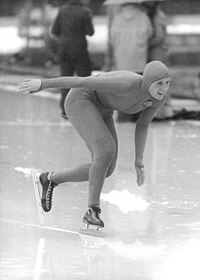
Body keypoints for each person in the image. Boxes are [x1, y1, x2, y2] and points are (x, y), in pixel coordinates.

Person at [18, 60, 171, 232]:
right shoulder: (126, 83)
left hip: (104, 110)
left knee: (108, 168)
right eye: (159, 83)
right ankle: (92, 210)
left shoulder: (158, 99)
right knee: (106, 149)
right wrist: (43, 84)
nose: (164, 88)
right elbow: (81, 81)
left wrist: (139, 160)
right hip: (81, 99)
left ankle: (50, 179)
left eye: (167, 83)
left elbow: (142, 125)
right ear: (148, 81)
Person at [50, 0, 94, 118]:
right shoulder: (85, 11)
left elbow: (54, 31)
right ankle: (86, 108)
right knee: (85, 81)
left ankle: (65, 110)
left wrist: (66, 38)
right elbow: (91, 32)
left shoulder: (62, 10)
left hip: (64, 49)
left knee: (66, 80)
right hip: (80, 50)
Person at [110, 3, 153, 121]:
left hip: (122, 58)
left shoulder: (118, 18)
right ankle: (138, 114)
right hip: (138, 57)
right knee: (139, 88)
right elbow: (149, 32)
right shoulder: (143, 16)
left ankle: (124, 116)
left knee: (124, 89)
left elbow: (113, 36)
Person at [143, 0, 174, 120]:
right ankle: (165, 110)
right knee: (162, 82)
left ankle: (162, 111)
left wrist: (146, 44)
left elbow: (159, 36)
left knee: (160, 82)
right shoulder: (158, 15)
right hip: (160, 53)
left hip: (157, 54)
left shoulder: (157, 17)